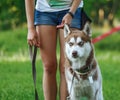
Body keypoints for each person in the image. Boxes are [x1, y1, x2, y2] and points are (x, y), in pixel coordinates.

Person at [25, 0, 83, 100]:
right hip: (44, 13)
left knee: (67, 67)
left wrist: (70, 13)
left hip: (72, 11)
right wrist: (31, 28)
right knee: (48, 66)